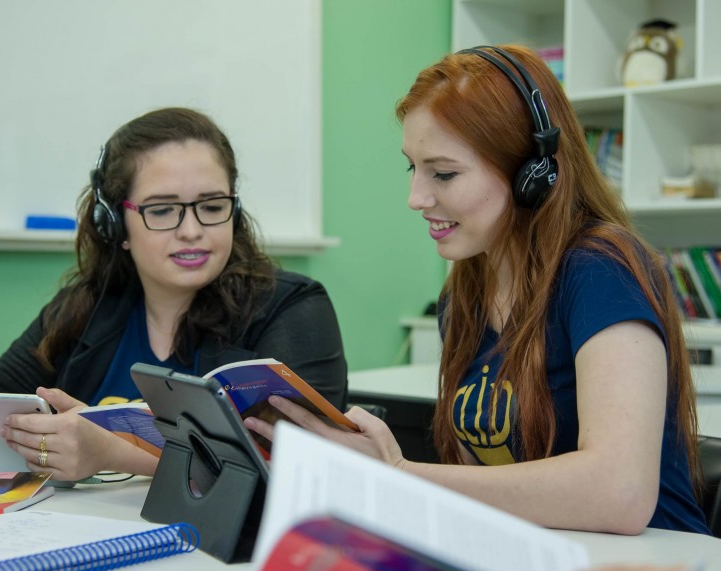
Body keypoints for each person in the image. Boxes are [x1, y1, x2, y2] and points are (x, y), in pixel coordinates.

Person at [244, 45, 711, 535]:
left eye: (443, 173)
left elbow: (620, 494)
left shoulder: (600, 269)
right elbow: (484, 486)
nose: (416, 197)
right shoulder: (464, 293)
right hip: (541, 554)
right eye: (412, 167)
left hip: (654, 560)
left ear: (531, 173)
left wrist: (398, 475)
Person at [0, 107, 347, 481]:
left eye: (212, 206)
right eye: (162, 210)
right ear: (116, 225)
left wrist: (111, 450)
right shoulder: (82, 310)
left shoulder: (292, 307)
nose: (191, 230)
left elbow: (297, 458)